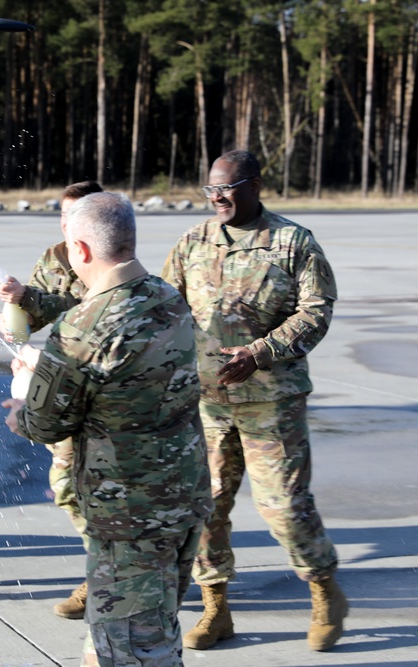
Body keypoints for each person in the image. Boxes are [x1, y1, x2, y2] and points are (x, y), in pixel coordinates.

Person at [2, 192, 212, 667]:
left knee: (136, 650)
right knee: (148, 630)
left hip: (129, 517)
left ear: (80, 249)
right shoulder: (168, 298)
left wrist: (22, 401)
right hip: (182, 499)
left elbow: (45, 422)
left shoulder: (81, 326)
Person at [161, 149, 347, 652]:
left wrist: (261, 352)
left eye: (227, 187)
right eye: (210, 189)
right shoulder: (193, 241)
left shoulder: (292, 243)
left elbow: (316, 312)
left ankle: (325, 590)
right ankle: (216, 607)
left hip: (271, 403)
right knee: (205, 507)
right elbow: (166, 308)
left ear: (255, 186)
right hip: (207, 402)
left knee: (284, 506)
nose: (217, 197)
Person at [0, 180, 102, 619]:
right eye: (61, 214)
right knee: (65, 486)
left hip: (97, 396)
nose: (65, 222)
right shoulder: (55, 257)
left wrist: (33, 299)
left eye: (73, 215)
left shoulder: (106, 257)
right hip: (58, 391)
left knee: (100, 489)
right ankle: (104, 566)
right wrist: (16, 311)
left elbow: (84, 312)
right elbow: (33, 318)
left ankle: (107, 573)